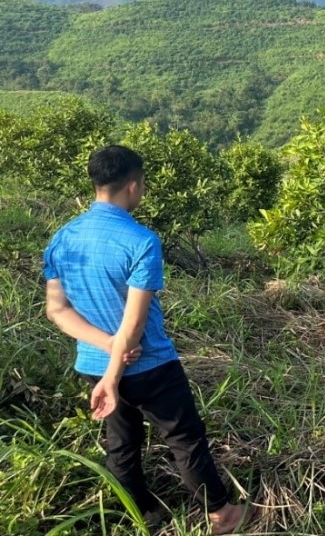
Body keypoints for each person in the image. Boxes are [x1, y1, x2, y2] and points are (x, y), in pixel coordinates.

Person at [43, 145, 255, 534]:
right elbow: (134, 325)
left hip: (92, 362)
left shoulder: (62, 238)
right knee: (185, 438)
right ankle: (222, 515)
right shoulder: (141, 241)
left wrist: (106, 352)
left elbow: (57, 309)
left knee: (121, 441)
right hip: (148, 363)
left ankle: (140, 514)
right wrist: (116, 365)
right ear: (133, 186)